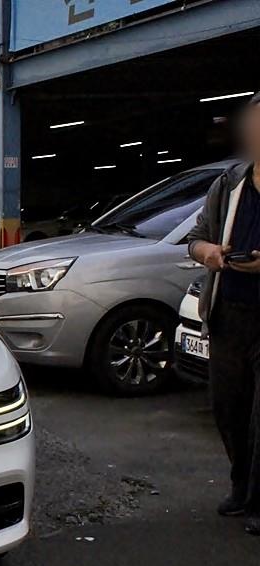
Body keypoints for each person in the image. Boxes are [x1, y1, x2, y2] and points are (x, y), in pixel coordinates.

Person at [188, 92, 260, 535]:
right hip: (229, 314)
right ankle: (241, 486)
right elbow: (195, 238)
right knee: (229, 410)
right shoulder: (229, 186)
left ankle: (258, 500)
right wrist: (209, 253)